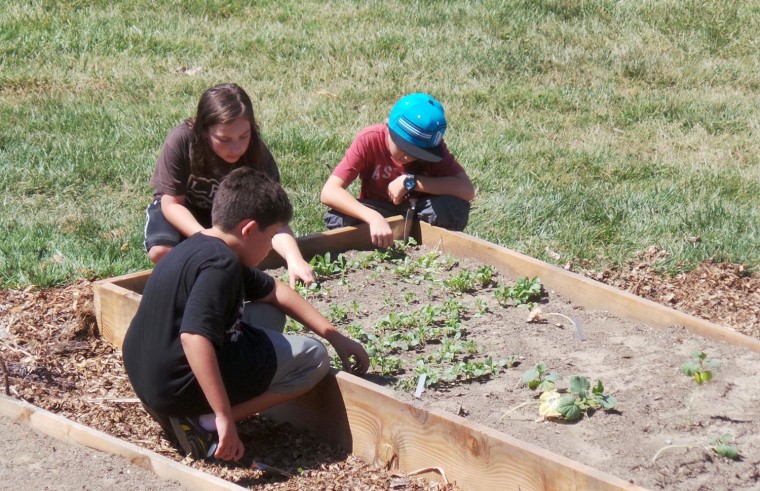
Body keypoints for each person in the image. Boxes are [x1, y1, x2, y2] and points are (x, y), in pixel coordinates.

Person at [123, 168, 370, 462]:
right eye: (271, 237)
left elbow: (275, 291)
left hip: (149, 381)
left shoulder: (199, 245)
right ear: (249, 229)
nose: (270, 249)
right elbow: (194, 337)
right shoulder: (221, 267)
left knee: (269, 311)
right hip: (177, 388)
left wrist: (336, 336)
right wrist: (224, 415)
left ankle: (189, 413)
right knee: (313, 357)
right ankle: (203, 423)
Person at [144, 82, 316, 287]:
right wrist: (206, 239)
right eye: (224, 139)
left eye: (244, 136)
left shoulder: (256, 153)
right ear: (204, 130)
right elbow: (171, 204)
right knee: (162, 252)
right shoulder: (182, 140)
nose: (236, 148)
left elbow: (273, 220)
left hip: (227, 216)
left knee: (244, 253)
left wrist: (294, 258)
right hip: (183, 211)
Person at [320, 92, 475, 248]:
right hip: (380, 210)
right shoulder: (370, 139)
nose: (408, 157)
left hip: (419, 213)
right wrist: (373, 217)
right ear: (388, 125)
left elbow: (467, 190)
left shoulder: (435, 148)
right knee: (339, 217)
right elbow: (329, 192)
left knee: (453, 207)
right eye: (404, 148)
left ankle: (428, 242)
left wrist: (412, 182)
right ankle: (372, 242)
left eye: (417, 153)